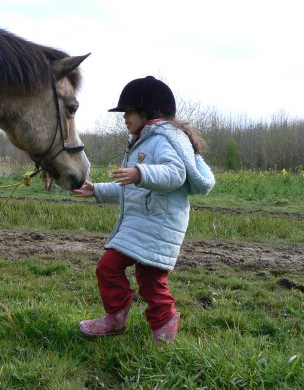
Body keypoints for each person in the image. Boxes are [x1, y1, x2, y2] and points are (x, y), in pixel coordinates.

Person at [73, 76, 215, 342]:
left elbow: (176, 174)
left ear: (148, 111)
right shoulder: (144, 140)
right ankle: (115, 317)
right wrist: (97, 190)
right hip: (140, 224)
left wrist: (140, 172)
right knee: (108, 267)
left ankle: (165, 323)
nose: (124, 117)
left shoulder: (164, 139)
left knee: (150, 281)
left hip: (159, 226)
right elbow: (134, 189)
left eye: (129, 111)